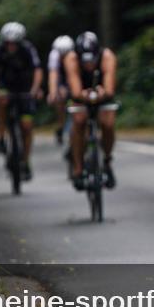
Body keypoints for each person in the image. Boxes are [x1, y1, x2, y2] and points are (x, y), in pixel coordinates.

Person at [0, 22, 43, 181]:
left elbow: (38, 70)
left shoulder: (28, 49)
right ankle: (1, 137)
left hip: (25, 89)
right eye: (8, 43)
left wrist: (35, 89)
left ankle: (25, 160)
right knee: (2, 103)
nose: (11, 46)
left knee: (27, 126)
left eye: (14, 44)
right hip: (6, 88)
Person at [64, 32, 117, 190]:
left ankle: (107, 160)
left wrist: (103, 93)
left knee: (108, 124)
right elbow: (74, 88)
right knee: (79, 121)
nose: (89, 64)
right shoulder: (71, 58)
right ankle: (78, 168)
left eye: (92, 60)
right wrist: (82, 95)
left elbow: (109, 86)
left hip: (102, 93)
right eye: (85, 61)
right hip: (81, 93)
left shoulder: (107, 56)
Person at [46, 35, 75, 146]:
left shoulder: (74, 55)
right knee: (59, 100)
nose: (63, 57)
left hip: (72, 77)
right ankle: (61, 125)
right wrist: (53, 93)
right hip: (61, 80)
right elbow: (53, 75)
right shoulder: (53, 56)